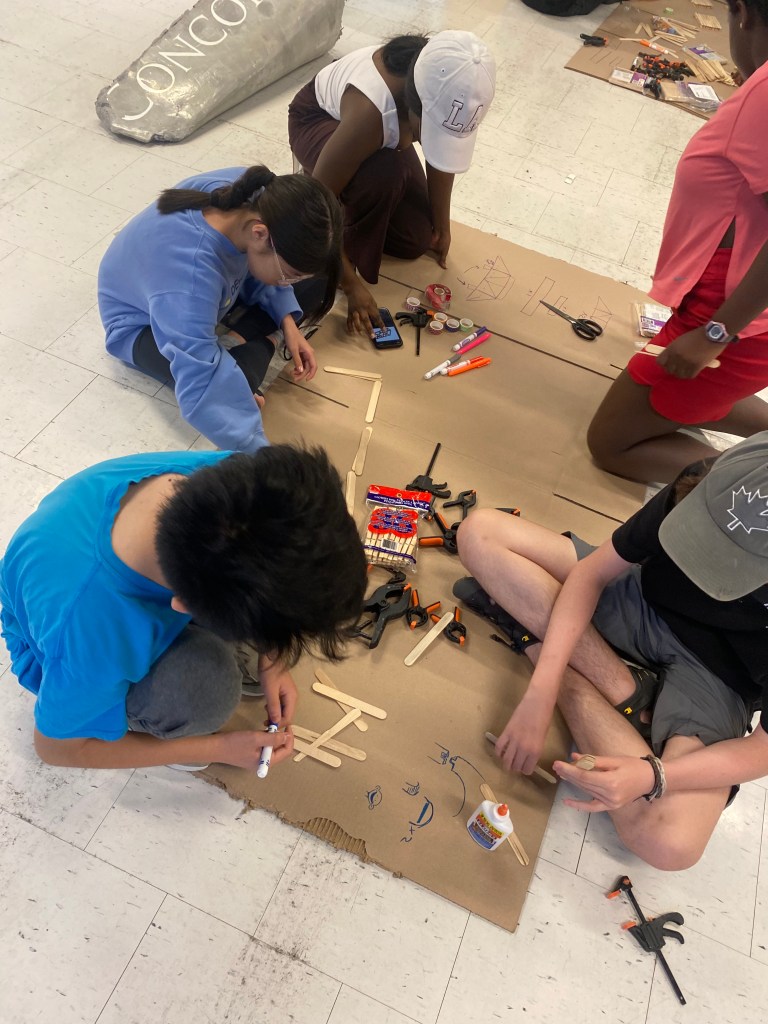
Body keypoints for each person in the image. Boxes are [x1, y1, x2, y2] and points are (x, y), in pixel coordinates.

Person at [454, 432, 768, 870]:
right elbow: (593, 573)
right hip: (643, 600)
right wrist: (539, 694)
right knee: (480, 533)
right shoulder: (717, 480)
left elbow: (762, 750)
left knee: (671, 845)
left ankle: (544, 647)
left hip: (718, 678)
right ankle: (628, 692)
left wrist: (655, 775)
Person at [0, 445, 367, 772]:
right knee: (207, 691)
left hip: (101, 586)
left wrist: (275, 660)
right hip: (67, 633)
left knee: (284, 597)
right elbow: (56, 749)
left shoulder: (242, 486)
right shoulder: (93, 635)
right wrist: (217, 748)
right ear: (183, 607)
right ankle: (165, 725)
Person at [587, 0, 768, 484]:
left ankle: (748, 488)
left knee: (611, 442)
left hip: (735, 315)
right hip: (745, 311)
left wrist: (714, 334)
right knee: (700, 388)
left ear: (743, 13)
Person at [98, 165, 342, 453]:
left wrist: (288, 323)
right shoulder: (189, 275)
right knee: (232, 389)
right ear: (259, 234)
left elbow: (270, 269)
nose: (288, 282)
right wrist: (262, 456)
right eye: (289, 275)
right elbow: (201, 383)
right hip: (141, 326)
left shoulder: (260, 193)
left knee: (314, 284)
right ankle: (252, 342)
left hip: (202, 295)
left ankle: (241, 343)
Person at [288, 31, 495, 337]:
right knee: (385, 174)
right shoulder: (371, 114)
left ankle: (353, 191)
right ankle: (328, 180)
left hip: (379, 129)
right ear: (414, 106)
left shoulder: (444, 82)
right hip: (318, 119)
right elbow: (313, 203)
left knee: (415, 239)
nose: (432, 140)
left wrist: (442, 226)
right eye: (431, 132)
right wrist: (350, 284)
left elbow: (440, 157)